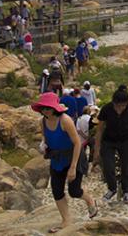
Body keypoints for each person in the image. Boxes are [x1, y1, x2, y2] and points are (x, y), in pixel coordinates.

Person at [32, 93, 98, 232]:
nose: (45, 110)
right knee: (57, 190)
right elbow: (45, 137)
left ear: (55, 107)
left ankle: (90, 200)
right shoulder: (42, 121)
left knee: (74, 191)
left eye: (48, 107)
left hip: (73, 155)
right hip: (57, 157)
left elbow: (77, 143)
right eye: (43, 107)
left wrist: (73, 167)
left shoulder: (65, 120)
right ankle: (66, 220)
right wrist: (43, 146)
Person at [94, 85, 128, 204]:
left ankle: (126, 191)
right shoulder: (106, 109)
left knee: (126, 167)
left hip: (125, 140)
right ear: (113, 103)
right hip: (108, 140)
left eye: (123, 106)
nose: (120, 108)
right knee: (108, 167)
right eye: (118, 106)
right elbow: (99, 129)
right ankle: (112, 188)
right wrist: (95, 150)